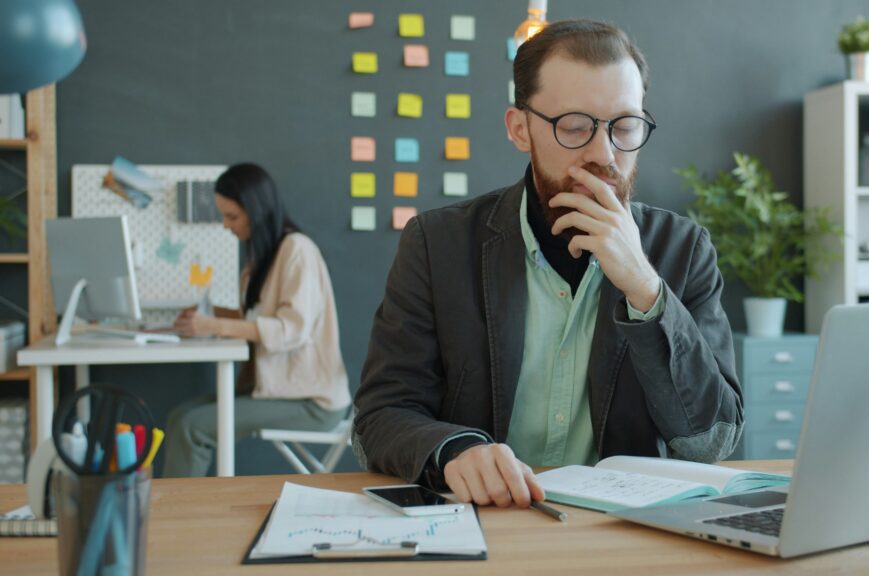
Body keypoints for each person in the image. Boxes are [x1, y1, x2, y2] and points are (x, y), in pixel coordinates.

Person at [353, 20, 742, 507]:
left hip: (622, 532)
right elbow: (378, 418)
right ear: (520, 129)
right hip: (483, 519)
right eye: (575, 127)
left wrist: (646, 290)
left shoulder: (684, 251)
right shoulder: (437, 244)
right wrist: (454, 451)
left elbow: (710, 443)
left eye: (624, 127)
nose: (604, 154)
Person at [163, 162, 350, 477]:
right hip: (277, 389)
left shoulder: (297, 251)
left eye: (232, 216)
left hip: (311, 401)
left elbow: (291, 330)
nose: (226, 225)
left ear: (257, 210)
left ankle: (179, 519)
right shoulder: (260, 261)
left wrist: (214, 326)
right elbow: (256, 318)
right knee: (180, 416)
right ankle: (178, 511)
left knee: (192, 428)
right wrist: (207, 315)